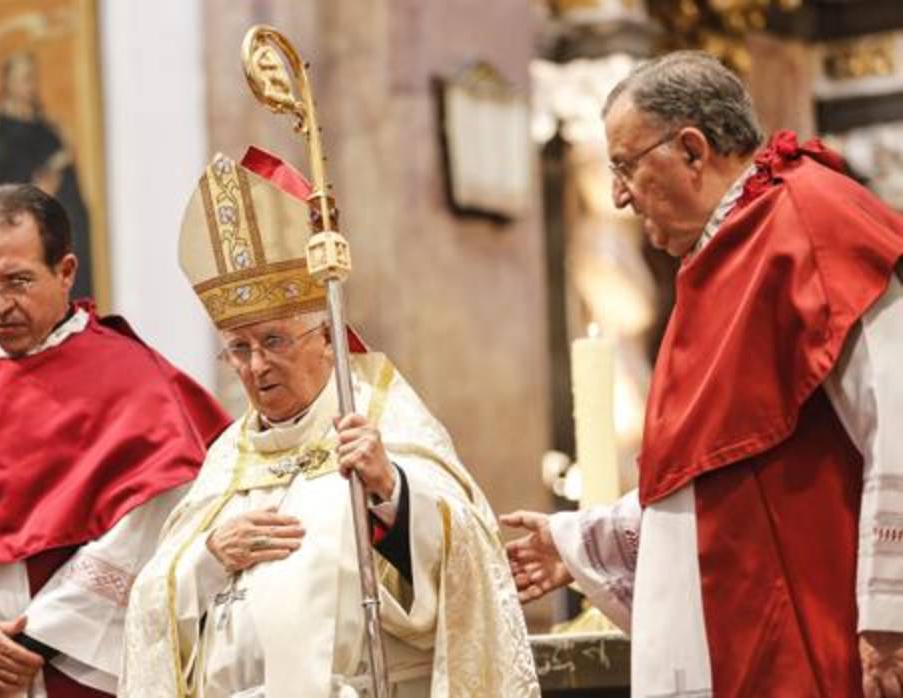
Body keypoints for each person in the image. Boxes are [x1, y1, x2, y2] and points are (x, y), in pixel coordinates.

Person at [500, 51, 903, 698]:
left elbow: (899, 418)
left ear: (692, 150)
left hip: (807, 646)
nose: (618, 196)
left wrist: (892, 616)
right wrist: (578, 545)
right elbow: (709, 485)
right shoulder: (728, 256)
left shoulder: (810, 223)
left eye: (626, 166)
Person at [120, 148, 539, 697]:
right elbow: (154, 600)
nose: (257, 366)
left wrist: (389, 490)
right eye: (238, 350)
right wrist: (206, 558)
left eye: (273, 341)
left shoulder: (383, 426)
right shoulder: (227, 460)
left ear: (326, 336)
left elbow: (466, 573)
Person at [0, 183, 230, 697]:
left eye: (17, 281)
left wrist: (32, 641)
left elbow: (161, 515)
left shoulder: (134, 382)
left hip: (83, 676)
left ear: (65, 272)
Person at [0, 52, 93, 300]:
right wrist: (35, 196)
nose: (31, 85)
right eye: (25, 78)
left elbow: (75, 208)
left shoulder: (50, 135)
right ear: (9, 85)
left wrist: (57, 198)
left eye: (32, 78)